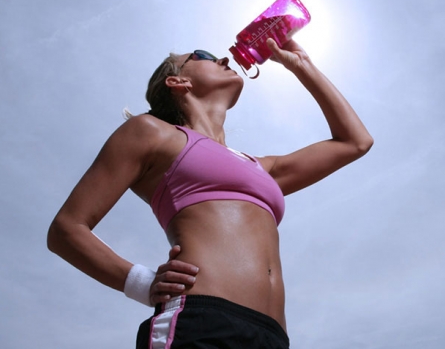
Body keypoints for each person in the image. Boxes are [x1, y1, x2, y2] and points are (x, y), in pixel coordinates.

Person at [47, 38, 373, 349]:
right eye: (201, 55)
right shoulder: (151, 134)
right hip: (200, 322)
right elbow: (67, 229)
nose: (223, 58)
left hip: (272, 335)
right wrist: (142, 283)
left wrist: (302, 65)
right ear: (177, 82)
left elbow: (354, 142)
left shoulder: (260, 167)